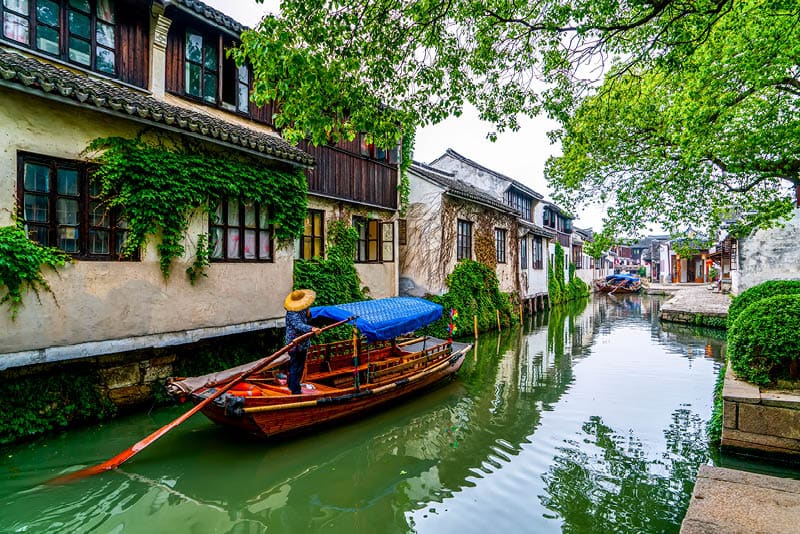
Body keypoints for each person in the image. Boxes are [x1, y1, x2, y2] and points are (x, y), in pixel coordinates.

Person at [284, 289, 321, 395]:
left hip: (303, 343)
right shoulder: (292, 311)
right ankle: (294, 390)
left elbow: (307, 321)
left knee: (300, 366)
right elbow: (298, 325)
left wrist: (309, 314)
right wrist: (311, 329)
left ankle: (295, 386)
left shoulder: (304, 309)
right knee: (295, 366)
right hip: (294, 343)